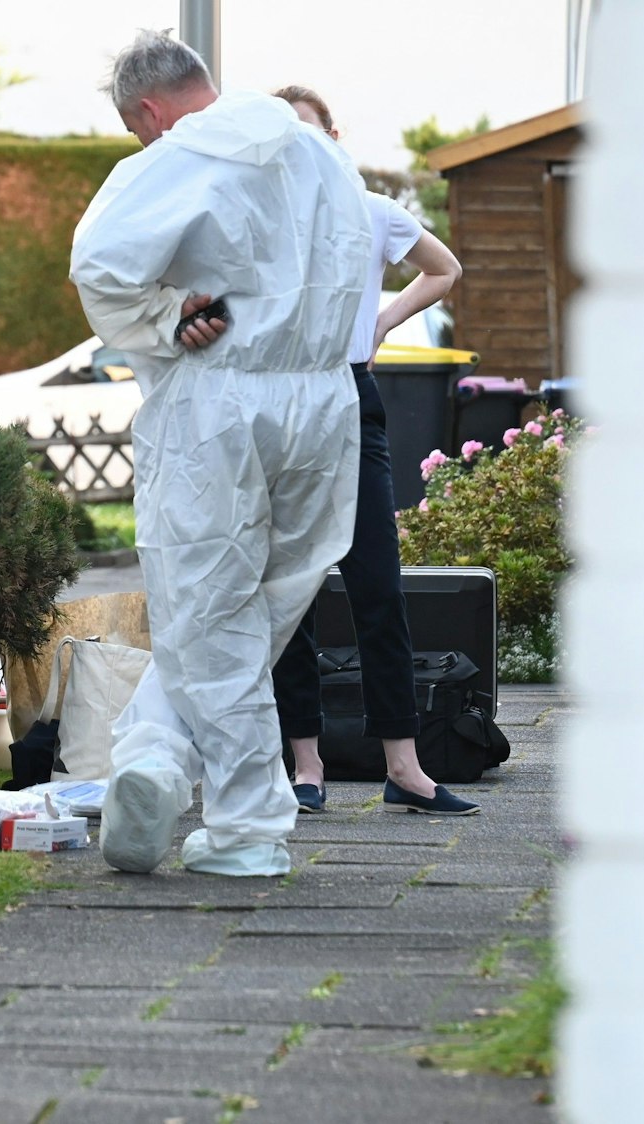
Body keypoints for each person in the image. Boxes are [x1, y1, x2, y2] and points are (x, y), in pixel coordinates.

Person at [69, 32, 373, 877]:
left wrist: (166, 320)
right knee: (266, 605)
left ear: (148, 112)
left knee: (208, 609)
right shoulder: (321, 154)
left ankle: (243, 825)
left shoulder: (176, 154)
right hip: (323, 401)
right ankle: (155, 750)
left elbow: (99, 264)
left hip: (221, 395)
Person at [266, 86, 477, 817]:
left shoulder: (371, 212)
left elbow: (443, 268)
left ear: (333, 132)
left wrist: (382, 322)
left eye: (307, 131)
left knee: (377, 588)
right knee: (288, 592)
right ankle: (305, 765)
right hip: (283, 400)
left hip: (351, 401)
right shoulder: (265, 218)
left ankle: (405, 767)